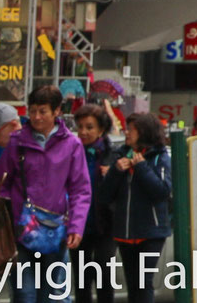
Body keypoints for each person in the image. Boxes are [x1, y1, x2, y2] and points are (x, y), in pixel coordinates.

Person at [3, 85, 92, 303]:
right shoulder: (17, 142)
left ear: (56, 111)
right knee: (24, 295)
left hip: (56, 232)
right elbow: (2, 183)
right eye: (32, 111)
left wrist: (76, 227)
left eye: (42, 111)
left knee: (53, 296)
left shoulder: (72, 144)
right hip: (20, 231)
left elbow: (81, 189)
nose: (36, 117)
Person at [102, 113, 172, 303]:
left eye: (131, 129)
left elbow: (162, 192)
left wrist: (141, 167)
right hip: (125, 232)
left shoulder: (159, 158)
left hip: (151, 233)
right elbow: (105, 195)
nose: (126, 132)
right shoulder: (120, 155)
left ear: (143, 132)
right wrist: (115, 172)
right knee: (132, 283)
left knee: (143, 282)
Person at [73, 105, 119, 303]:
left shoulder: (114, 154)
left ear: (101, 129)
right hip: (79, 224)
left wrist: (112, 175)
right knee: (82, 278)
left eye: (89, 127)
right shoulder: (73, 152)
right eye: (80, 127)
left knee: (103, 271)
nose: (83, 132)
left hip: (107, 223)